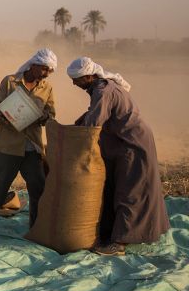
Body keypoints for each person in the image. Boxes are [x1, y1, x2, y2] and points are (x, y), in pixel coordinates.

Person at [67, 57, 169, 256]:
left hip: (132, 144)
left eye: (76, 79)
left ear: (88, 76)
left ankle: (119, 243)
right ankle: (113, 233)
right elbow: (94, 114)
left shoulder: (103, 91)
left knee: (129, 192)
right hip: (122, 144)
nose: (74, 84)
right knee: (115, 188)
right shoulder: (101, 88)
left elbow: (94, 123)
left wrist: (72, 143)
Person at [0, 48, 57, 233]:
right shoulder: (10, 82)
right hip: (7, 144)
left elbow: (51, 114)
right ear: (33, 65)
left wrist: (42, 117)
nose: (46, 74)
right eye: (44, 69)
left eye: (50, 71)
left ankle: (36, 225)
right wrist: (8, 117)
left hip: (32, 146)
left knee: (38, 186)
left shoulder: (47, 88)